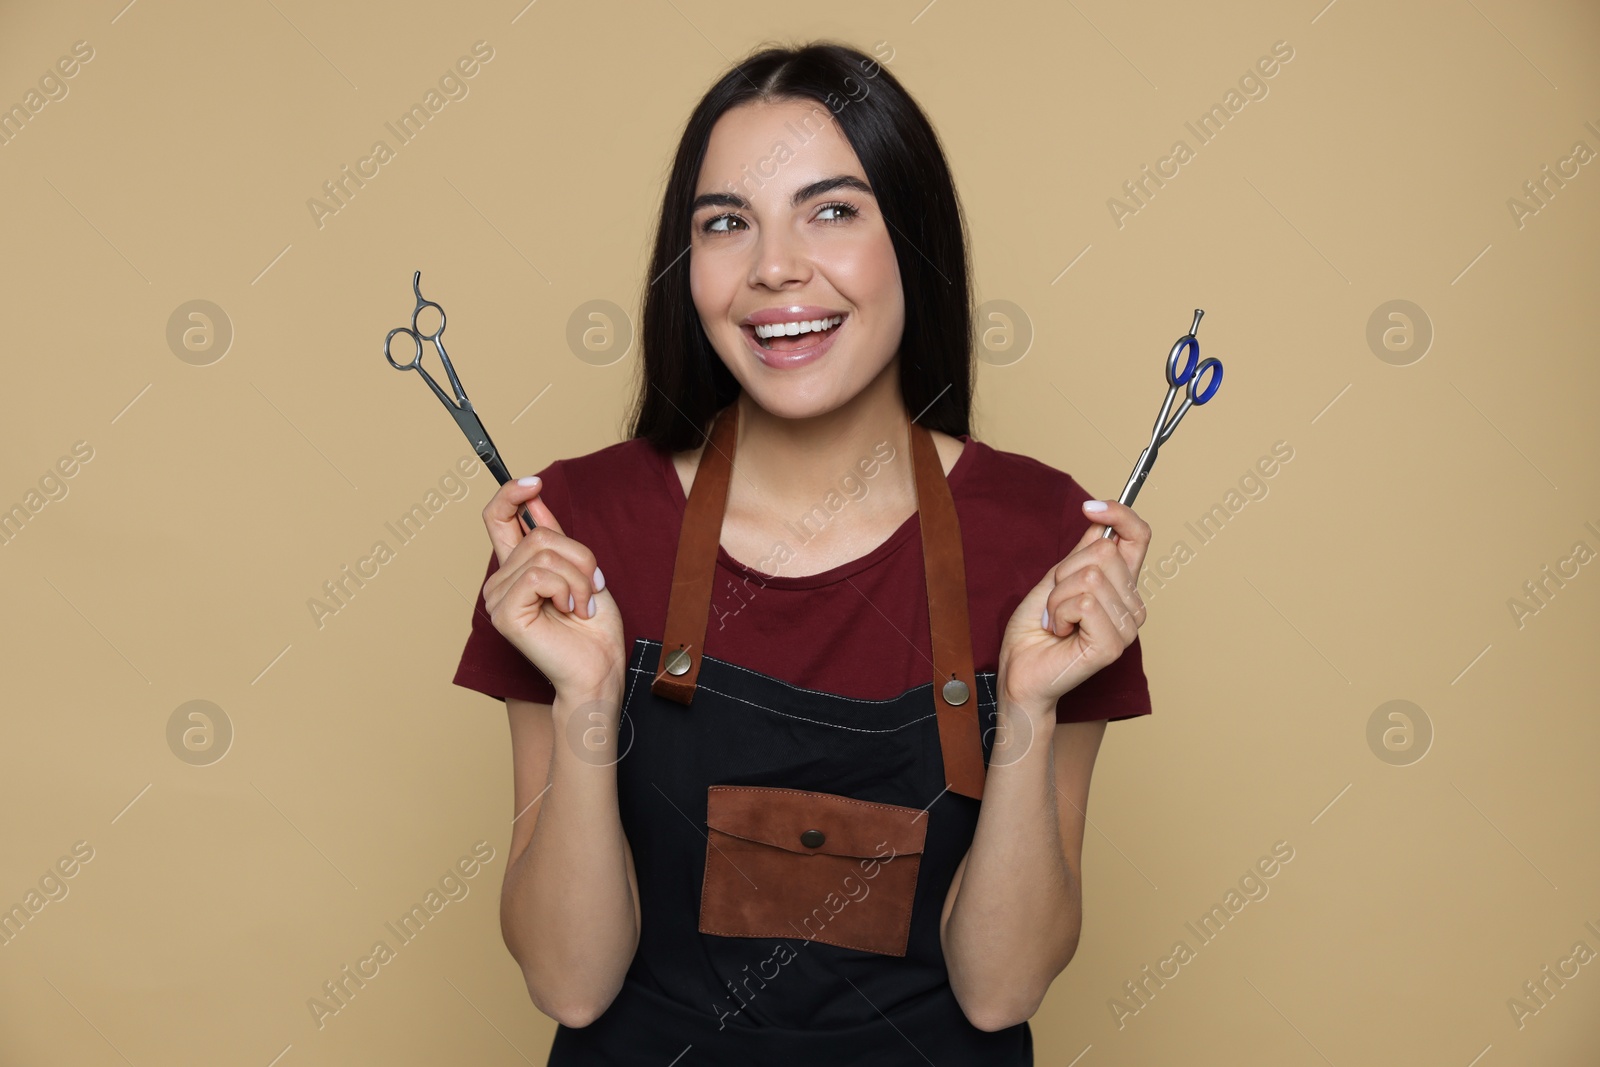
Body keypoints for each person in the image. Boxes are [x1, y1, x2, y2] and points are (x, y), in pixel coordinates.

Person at [451, 40, 1152, 1065]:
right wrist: (588, 702)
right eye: (726, 223)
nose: (774, 265)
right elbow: (569, 978)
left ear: (910, 240)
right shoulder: (574, 531)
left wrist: (1031, 712)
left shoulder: (1045, 539)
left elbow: (999, 992)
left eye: (831, 210)